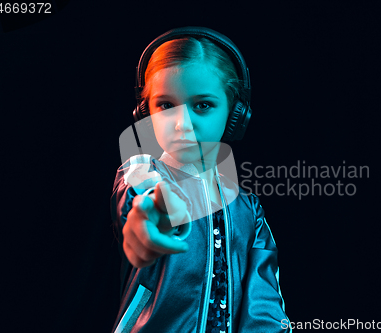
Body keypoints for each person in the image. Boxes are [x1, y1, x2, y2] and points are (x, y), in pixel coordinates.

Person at [111, 27, 290, 333]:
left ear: (235, 114)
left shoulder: (248, 209)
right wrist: (152, 210)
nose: (183, 124)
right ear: (146, 113)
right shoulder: (140, 170)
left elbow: (264, 304)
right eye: (166, 106)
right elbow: (139, 196)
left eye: (202, 105)